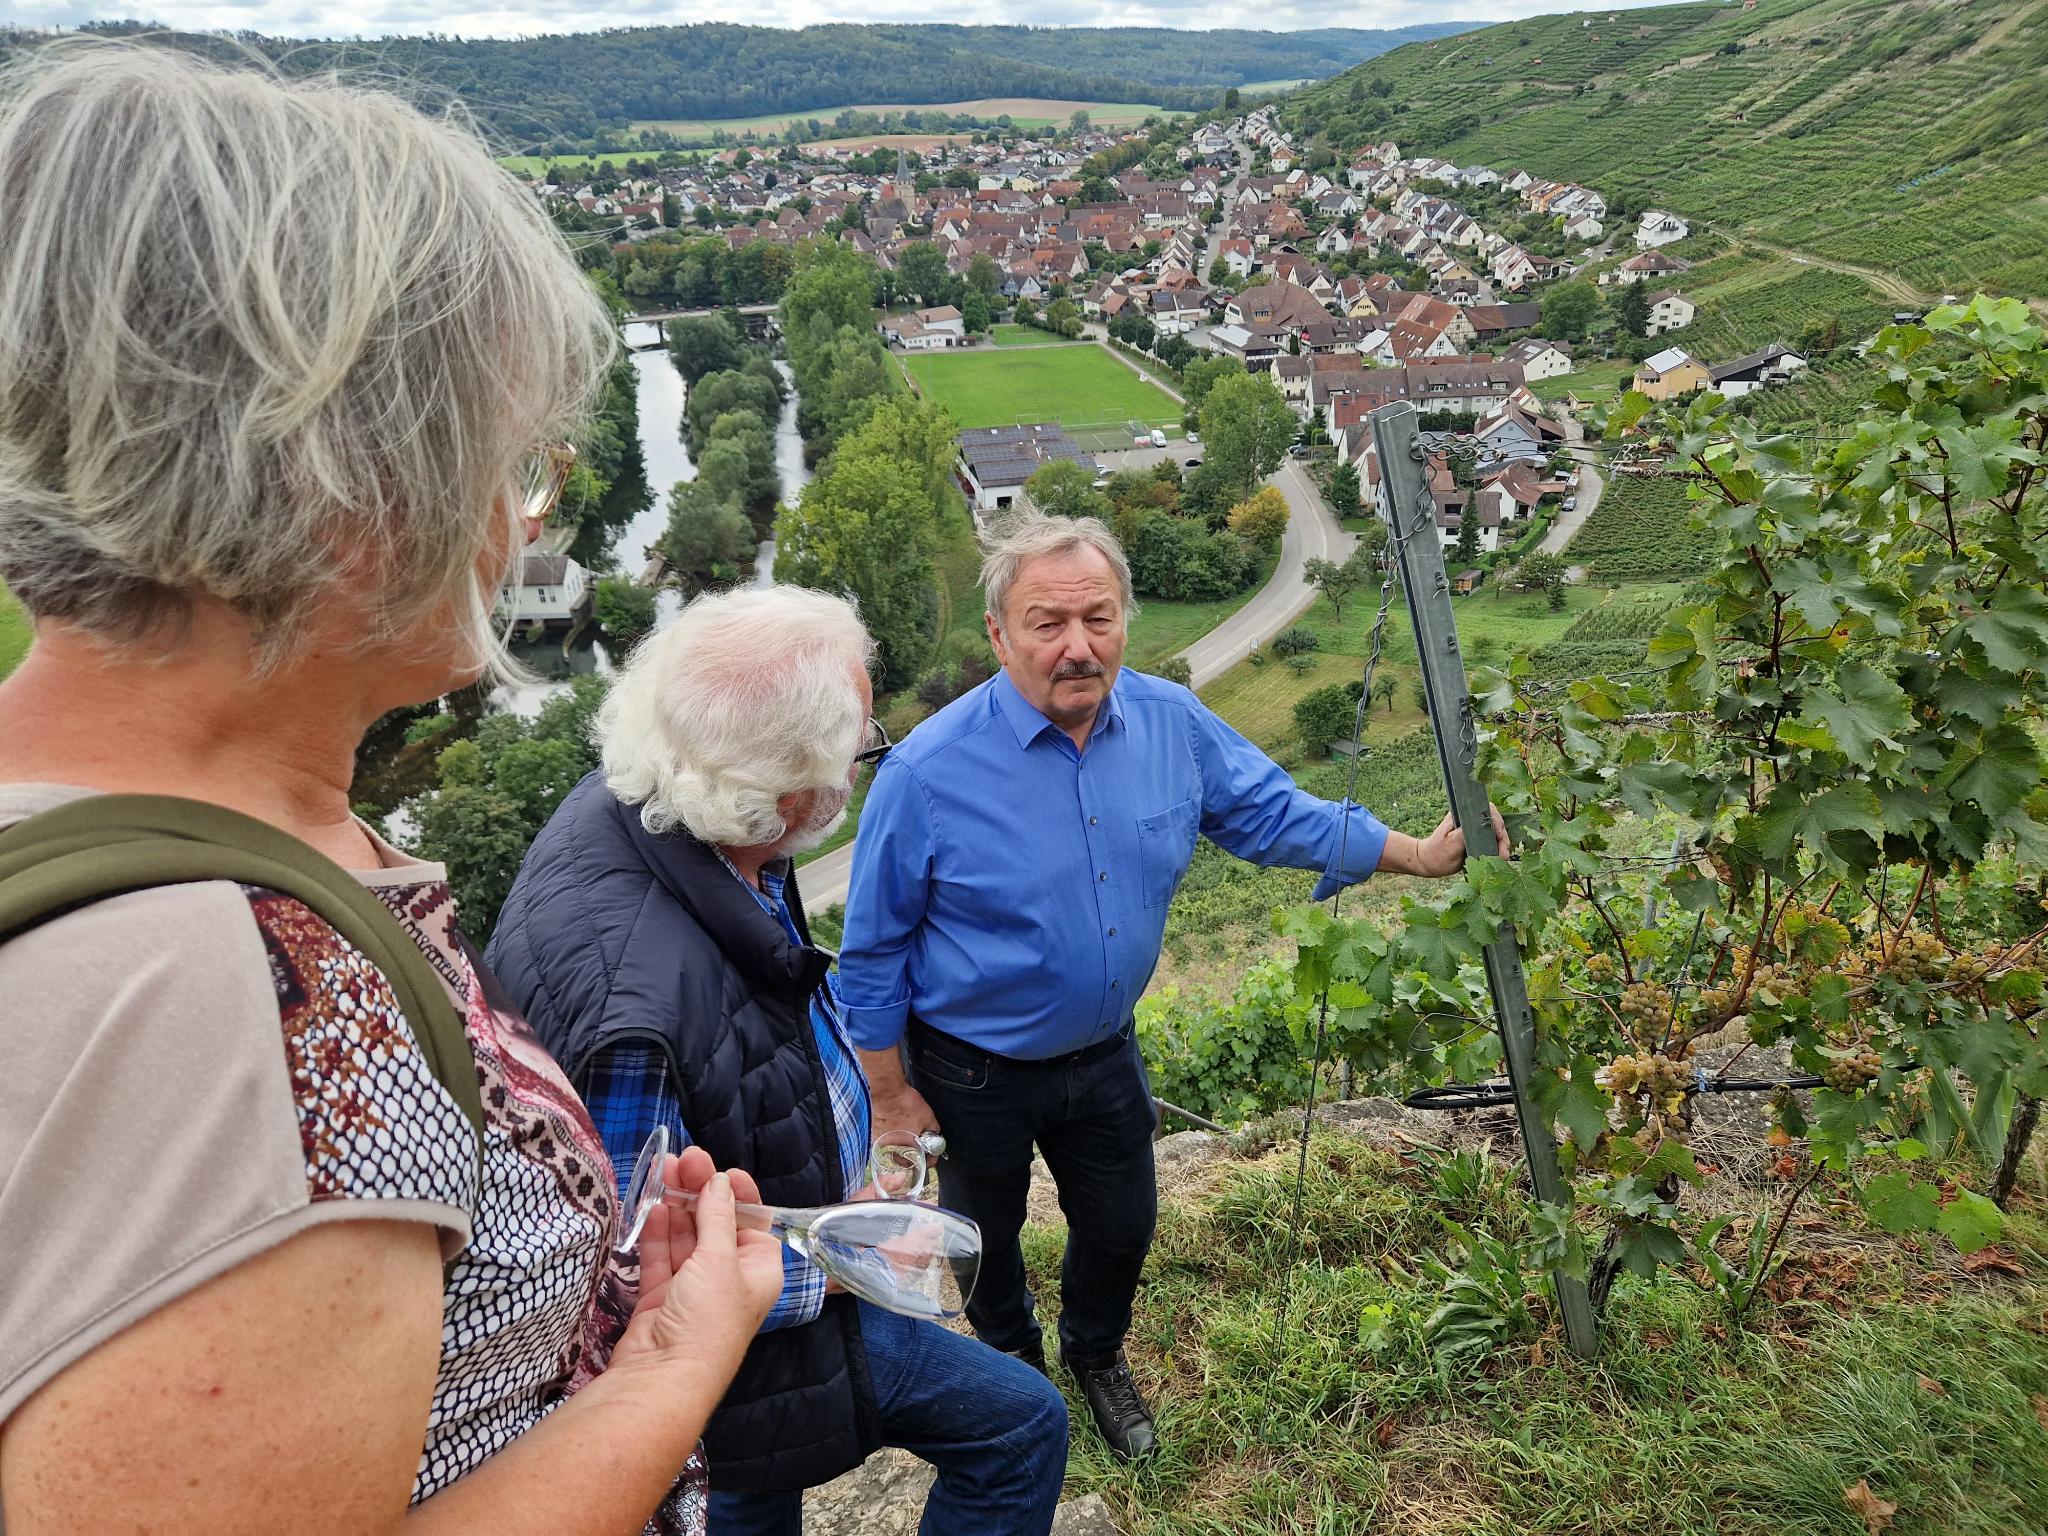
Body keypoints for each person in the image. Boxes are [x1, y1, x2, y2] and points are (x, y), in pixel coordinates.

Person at [0, 41, 785, 1536]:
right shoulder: (251, 999)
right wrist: (674, 1366)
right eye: (512, 468)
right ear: (349, 490)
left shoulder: (139, 820)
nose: (518, 522)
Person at [838, 512, 1509, 1460]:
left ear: (1125, 621)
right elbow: (871, 953)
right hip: (971, 1072)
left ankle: (1096, 1354)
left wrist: (1415, 854)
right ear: (997, 635)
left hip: (1106, 1052)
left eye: (1099, 619)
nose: (1079, 647)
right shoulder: (925, 774)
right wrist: (890, 1094)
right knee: (982, 1244)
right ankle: (1016, 1375)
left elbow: (1271, 813)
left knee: (1122, 1226)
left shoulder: (1169, 722)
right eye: (1047, 623)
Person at [486, 586, 1070, 1536]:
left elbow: (754, 1013)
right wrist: (849, 1264)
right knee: (1020, 1429)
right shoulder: (631, 1020)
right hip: (736, 1383)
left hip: (783, 1276)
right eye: (856, 748)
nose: (859, 769)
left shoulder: (673, 802)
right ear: (792, 793)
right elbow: (622, 1285)